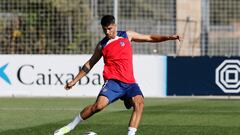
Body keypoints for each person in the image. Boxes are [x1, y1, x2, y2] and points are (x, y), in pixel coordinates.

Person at [54, 15, 180, 135]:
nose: (107, 32)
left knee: (140, 103)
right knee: (98, 106)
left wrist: (168, 37)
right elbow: (90, 63)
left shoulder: (126, 35)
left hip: (130, 83)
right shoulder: (102, 45)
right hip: (113, 82)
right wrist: (75, 80)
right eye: (104, 29)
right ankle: (69, 126)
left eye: (109, 29)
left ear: (115, 25)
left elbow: (150, 38)